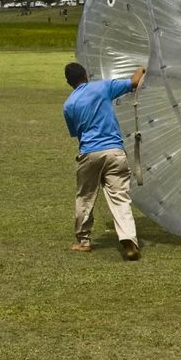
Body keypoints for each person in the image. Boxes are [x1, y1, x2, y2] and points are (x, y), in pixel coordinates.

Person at [63, 61, 146, 259]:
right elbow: (134, 82)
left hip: (90, 153)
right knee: (120, 198)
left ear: (69, 82)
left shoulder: (69, 105)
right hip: (115, 153)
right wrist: (142, 67)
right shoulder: (103, 87)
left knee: (85, 197)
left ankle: (83, 241)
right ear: (86, 75)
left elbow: (77, 133)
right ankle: (129, 240)